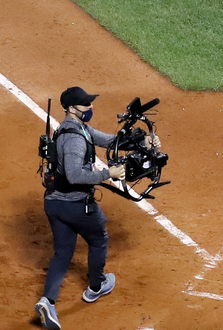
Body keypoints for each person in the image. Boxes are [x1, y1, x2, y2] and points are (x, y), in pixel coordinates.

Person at [36, 87, 158, 330]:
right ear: (72, 108)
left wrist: (142, 142)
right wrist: (107, 173)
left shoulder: (75, 128)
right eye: (85, 105)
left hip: (54, 204)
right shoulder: (74, 139)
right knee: (98, 239)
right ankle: (96, 287)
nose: (90, 107)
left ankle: (47, 301)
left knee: (63, 253)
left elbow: (109, 141)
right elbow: (74, 175)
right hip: (75, 206)